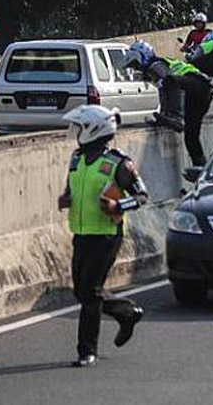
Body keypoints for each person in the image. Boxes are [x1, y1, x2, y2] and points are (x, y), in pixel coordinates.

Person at [58, 105, 149, 368]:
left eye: (80, 128)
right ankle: (126, 312)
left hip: (107, 235)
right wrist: (66, 199)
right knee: (83, 291)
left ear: (93, 130)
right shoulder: (76, 159)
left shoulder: (118, 163)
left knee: (90, 293)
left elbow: (142, 196)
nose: (76, 134)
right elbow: (71, 188)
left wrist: (118, 207)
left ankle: (87, 351)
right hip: (82, 233)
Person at [125, 40, 213, 166]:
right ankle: (200, 167)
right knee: (190, 136)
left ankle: (176, 116)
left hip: (198, 85)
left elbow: (168, 84)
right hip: (200, 93)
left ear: (142, 56)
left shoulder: (156, 64)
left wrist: (167, 114)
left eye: (135, 64)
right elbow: (165, 91)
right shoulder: (155, 69)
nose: (136, 68)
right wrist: (163, 116)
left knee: (169, 81)